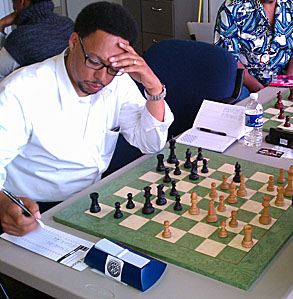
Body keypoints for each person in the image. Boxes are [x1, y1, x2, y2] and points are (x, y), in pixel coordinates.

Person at [0, 1, 174, 236]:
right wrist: (3, 206)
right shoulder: (21, 90)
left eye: (113, 67)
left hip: (90, 200)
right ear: (73, 42)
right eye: (94, 61)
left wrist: (153, 86)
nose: (101, 77)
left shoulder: (118, 82)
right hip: (32, 210)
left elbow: (151, 143)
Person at [214, 0, 293, 101]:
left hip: (285, 74)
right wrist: (258, 88)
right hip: (245, 79)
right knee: (240, 106)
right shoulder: (232, 9)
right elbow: (229, 58)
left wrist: (283, 83)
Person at [0, 0, 73, 81]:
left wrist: (1, 24)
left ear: (22, 2)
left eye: (13, 2)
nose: (13, 7)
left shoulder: (22, 37)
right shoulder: (68, 25)